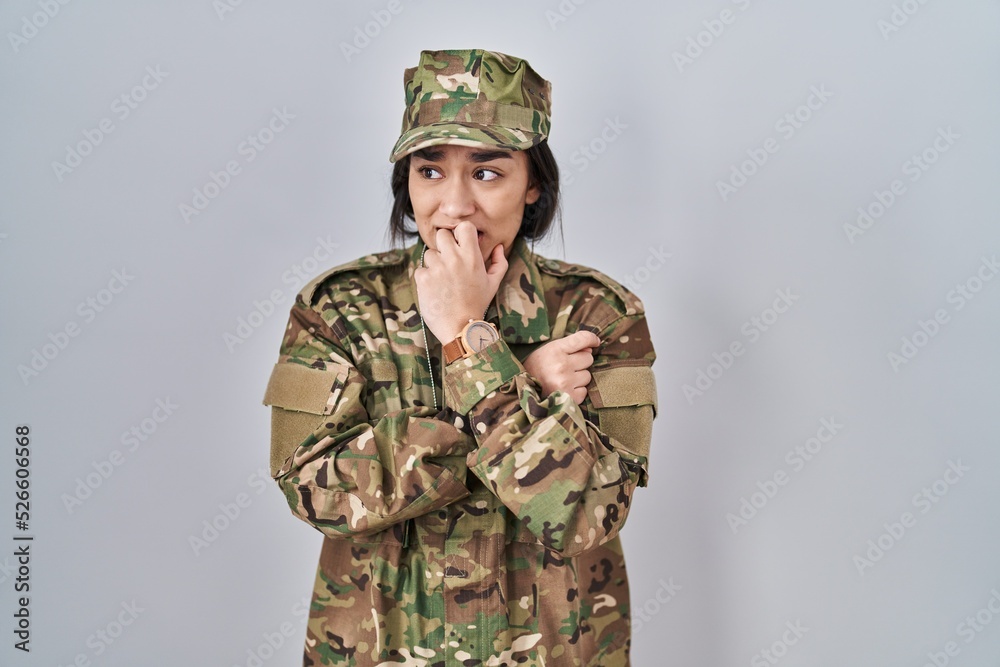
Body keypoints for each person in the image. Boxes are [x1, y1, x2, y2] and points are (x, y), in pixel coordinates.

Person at [261, 48, 658, 666]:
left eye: (487, 173)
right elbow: (315, 489)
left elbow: (585, 512)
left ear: (534, 186)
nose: (453, 205)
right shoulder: (340, 309)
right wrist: (515, 380)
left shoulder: (598, 315)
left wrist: (466, 335)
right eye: (430, 171)